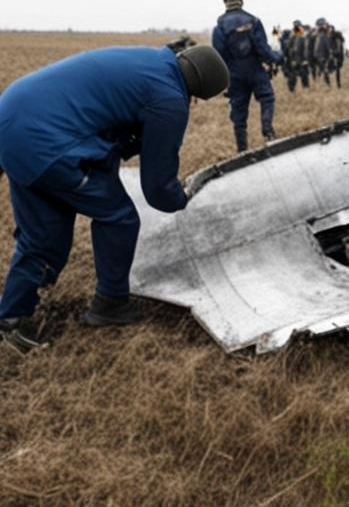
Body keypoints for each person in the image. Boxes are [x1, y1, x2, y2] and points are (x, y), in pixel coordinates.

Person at [0, 44, 229, 351]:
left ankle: (11, 319)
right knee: (119, 218)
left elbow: (107, 126)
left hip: (14, 119)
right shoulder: (168, 98)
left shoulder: (151, 62)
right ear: (199, 91)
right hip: (47, 142)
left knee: (42, 237)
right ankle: (110, 303)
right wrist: (183, 197)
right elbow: (158, 188)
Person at [212, 0, 282, 153]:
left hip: (234, 75)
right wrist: (276, 58)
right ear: (241, 1)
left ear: (225, 3)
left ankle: (242, 150)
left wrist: (224, 80)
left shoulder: (219, 26)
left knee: (239, 116)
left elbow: (218, 56)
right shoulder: (253, 21)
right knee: (267, 98)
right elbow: (263, 50)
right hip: (255, 70)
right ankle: (268, 132)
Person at [285, 20, 310, 92]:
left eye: (298, 27)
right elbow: (288, 48)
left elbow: (305, 49)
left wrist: (305, 60)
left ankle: (305, 88)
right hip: (293, 60)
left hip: (302, 60)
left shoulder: (303, 37)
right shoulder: (292, 37)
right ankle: (292, 90)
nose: (297, 29)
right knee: (292, 76)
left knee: (304, 75)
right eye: (296, 27)